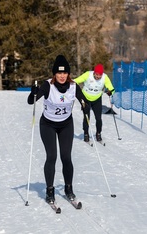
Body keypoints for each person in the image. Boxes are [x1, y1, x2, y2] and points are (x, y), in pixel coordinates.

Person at [27, 55, 90, 204]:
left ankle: (69, 188)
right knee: (52, 156)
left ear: (68, 74)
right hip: (48, 125)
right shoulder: (48, 85)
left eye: (65, 73)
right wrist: (33, 91)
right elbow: (31, 101)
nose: (62, 76)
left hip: (66, 125)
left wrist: (84, 105)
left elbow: (84, 101)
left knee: (66, 157)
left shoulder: (74, 87)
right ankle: (50, 190)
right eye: (59, 73)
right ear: (54, 73)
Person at [74, 64, 115, 142]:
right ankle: (86, 133)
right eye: (96, 74)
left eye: (100, 75)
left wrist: (110, 92)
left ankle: (98, 133)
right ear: (94, 72)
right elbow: (76, 80)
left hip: (97, 99)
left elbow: (111, 88)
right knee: (86, 117)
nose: (98, 77)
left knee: (98, 118)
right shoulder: (88, 74)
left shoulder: (105, 77)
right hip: (85, 99)